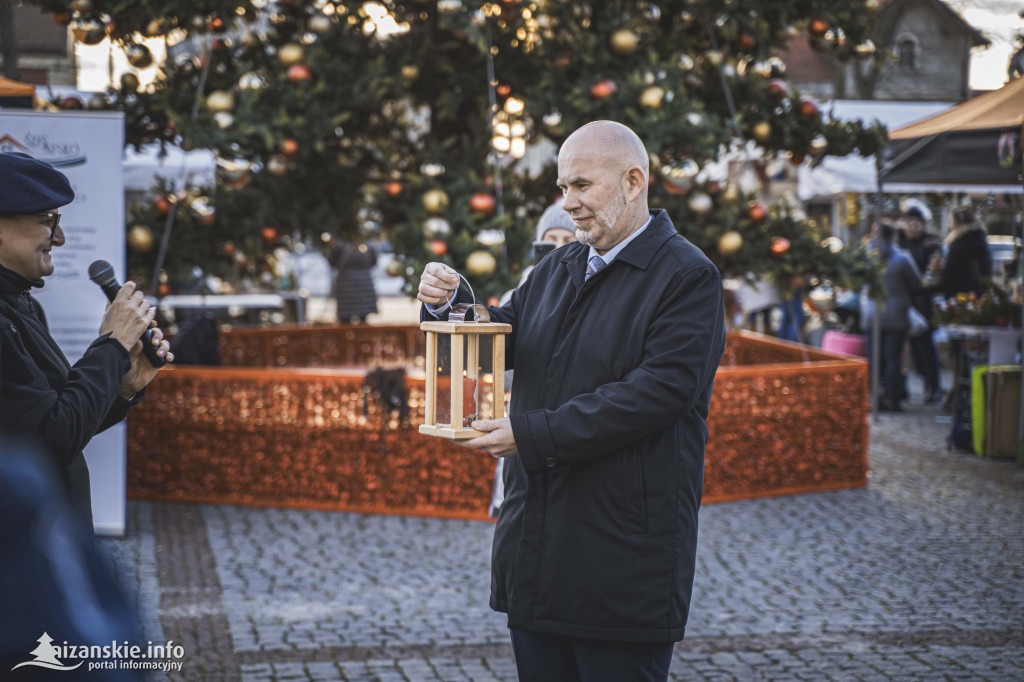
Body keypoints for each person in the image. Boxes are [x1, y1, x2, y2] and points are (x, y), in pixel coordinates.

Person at [417, 121, 726, 681]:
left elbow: (659, 392)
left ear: (634, 182)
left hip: (622, 561)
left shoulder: (688, 275)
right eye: (563, 188)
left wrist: (529, 435)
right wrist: (451, 305)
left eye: (581, 186)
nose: (569, 204)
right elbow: (500, 337)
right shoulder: (556, 267)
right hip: (537, 550)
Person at [0, 151, 173, 532]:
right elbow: (54, 436)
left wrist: (123, 387)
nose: (59, 238)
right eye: (48, 220)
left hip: (51, 534)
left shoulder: (21, 303)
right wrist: (112, 345)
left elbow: (66, 420)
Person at [866, 223, 921, 412]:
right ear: (893, 238)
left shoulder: (866, 258)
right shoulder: (902, 259)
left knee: (875, 359)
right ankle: (894, 398)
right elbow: (916, 285)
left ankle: (875, 398)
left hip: (872, 314)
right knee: (894, 359)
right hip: (897, 315)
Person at [898, 203, 943, 403]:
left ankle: (932, 386)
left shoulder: (931, 245)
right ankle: (903, 387)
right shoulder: (898, 243)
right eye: (910, 223)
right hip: (903, 304)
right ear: (905, 224)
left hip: (923, 305)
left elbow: (933, 277)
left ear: (923, 225)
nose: (913, 227)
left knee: (925, 349)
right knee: (906, 350)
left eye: (917, 224)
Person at [940, 207, 991, 299]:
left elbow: (950, 276)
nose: (949, 226)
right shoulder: (981, 241)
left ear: (958, 223)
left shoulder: (958, 245)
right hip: (980, 297)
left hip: (959, 298)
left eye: (951, 221)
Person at [328, 237, 378, 324]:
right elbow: (373, 261)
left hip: (345, 283)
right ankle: (363, 336)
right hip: (364, 283)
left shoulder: (339, 245)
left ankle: (344, 336)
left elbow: (331, 262)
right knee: (363, 317)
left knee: (345, 318)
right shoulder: (366, 244)